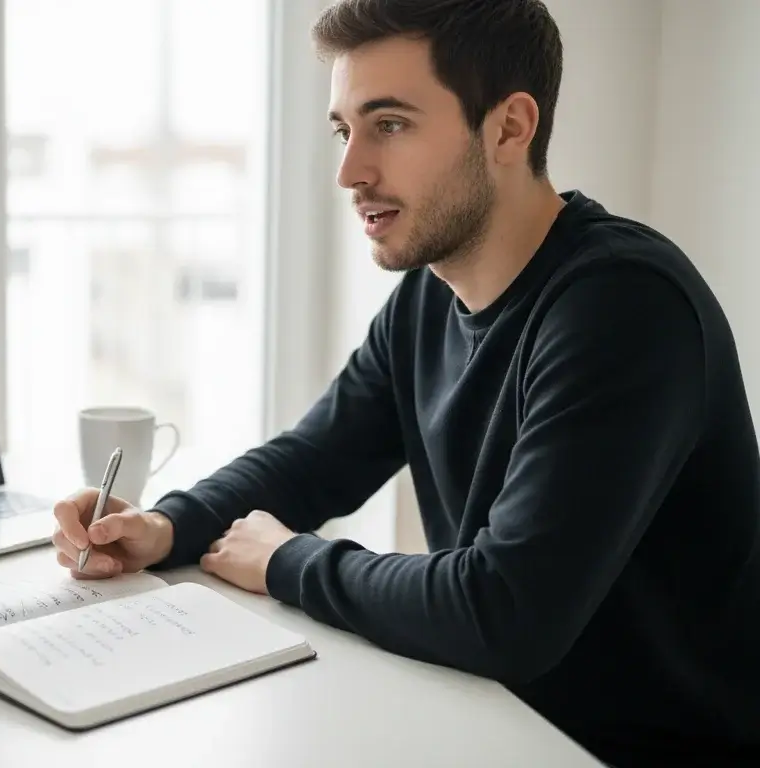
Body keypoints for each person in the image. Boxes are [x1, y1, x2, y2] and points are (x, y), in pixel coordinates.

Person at [50, 1, 760, 764]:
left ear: (509, 128)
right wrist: (165, 526)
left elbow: (504, 612)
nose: (350, 172)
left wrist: (286, 561)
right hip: (499, 724)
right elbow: (313, 460)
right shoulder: (429, 296)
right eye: (343, 130)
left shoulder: (623, 306)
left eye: (389, 124)